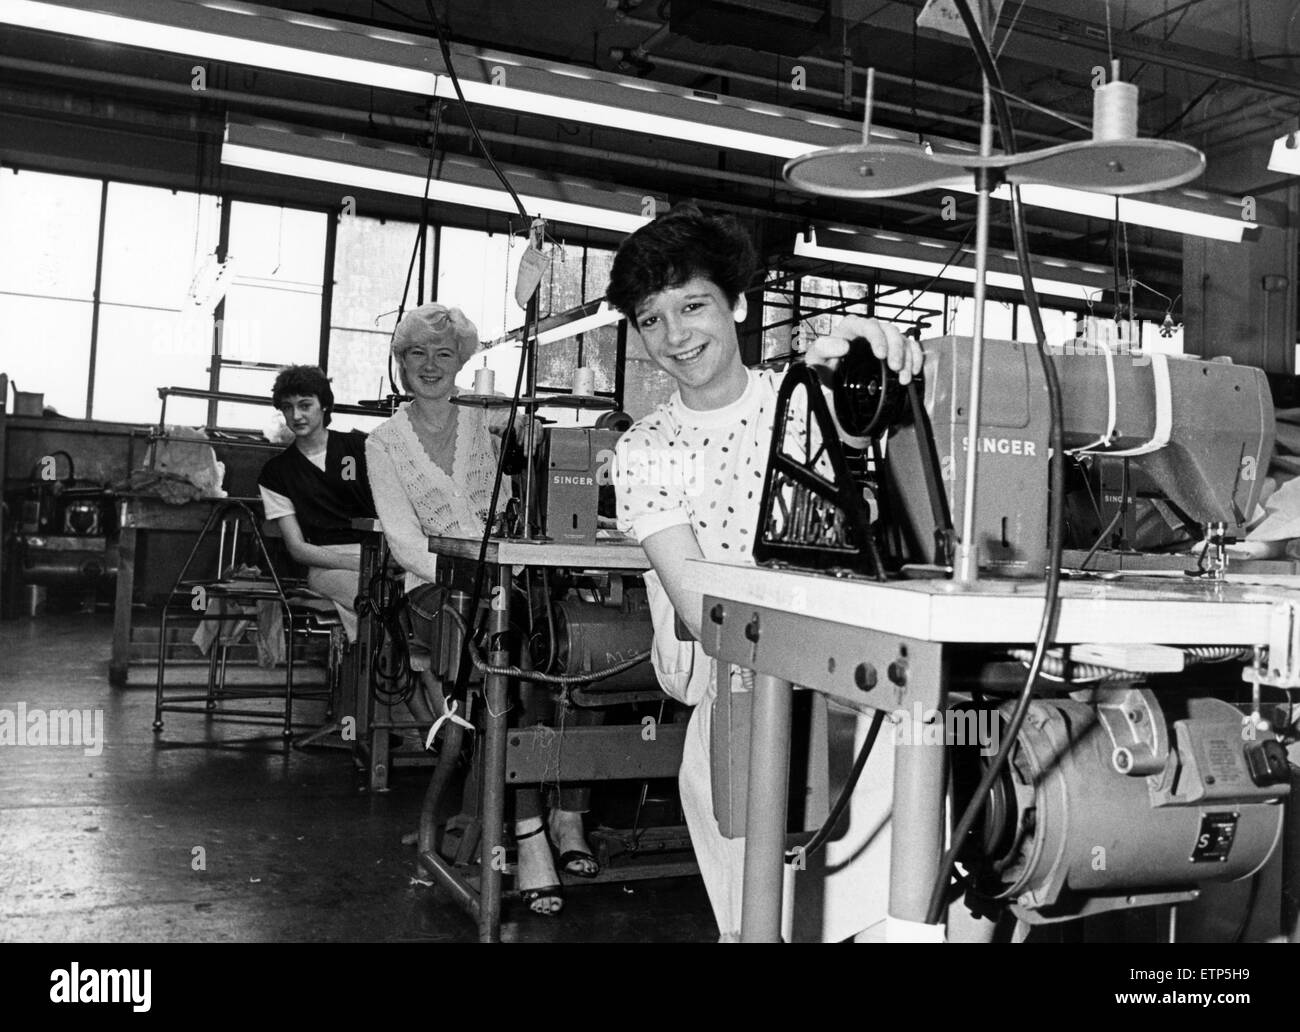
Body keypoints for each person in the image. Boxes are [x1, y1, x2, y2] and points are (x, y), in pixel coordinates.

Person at [607, 205, 923, 940]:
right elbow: (704, 615)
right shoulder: (648, 448)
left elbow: (873, 437)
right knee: (761, 926)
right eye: (651, 319)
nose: (675, 335)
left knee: (900, 916)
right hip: (743, 708)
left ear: (739, 304)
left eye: (693, 306)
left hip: (860, 701)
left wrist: (873, 363)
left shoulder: (806, 401)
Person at [365, 302, 599, 917]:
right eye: (418, 353)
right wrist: (477, 577)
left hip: (506, 578)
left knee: (577, 642)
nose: (431, 365)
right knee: (511, 657)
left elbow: (523, 490)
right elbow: (403, 542)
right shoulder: (382, 443)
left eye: (444, 354)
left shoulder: (485, 420)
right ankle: (532, 831)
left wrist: (530, 434)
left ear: (462, 362)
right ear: (401, 362)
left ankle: (570, 813)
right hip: (435, 588)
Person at [258, 365, 376, 642]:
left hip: (377, 553)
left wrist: (380, 561)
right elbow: (298, 549)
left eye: (305, 405)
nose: (296, 415)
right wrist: (359, 566)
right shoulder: (277, 472)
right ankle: (374, 665)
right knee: (374, 597)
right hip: (324, 565)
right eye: (287, 407)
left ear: (324, 405)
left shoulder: (359, 448)